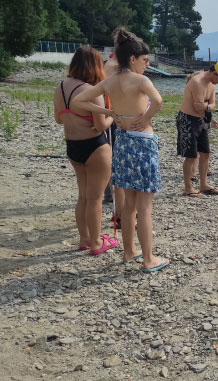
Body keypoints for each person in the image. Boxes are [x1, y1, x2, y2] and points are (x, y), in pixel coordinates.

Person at [72, 27, 168, 272]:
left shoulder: (110, 81)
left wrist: (108, 113)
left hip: (123, 141)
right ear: (133, 59)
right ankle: (149, 259)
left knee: (128, 205)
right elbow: (158, 102)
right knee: (145, 206)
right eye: (145, 60)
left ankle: (129, 252)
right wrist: (146, 118)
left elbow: (78, 101)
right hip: (143, 142)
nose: (147, 65)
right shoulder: (141, 80)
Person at [53, 46, 118, 255]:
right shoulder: (90, 91)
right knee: (95, 198)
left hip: (72, 146)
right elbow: (100, 125)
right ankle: (97, 243)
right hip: (95, 147)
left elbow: (58, 118)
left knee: (83, 196)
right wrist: (113, 115)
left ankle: (85, 239)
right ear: (95, 65)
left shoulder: (60, 87)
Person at [176, 62, 218, 197]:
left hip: (201, 120)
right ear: (214, 73)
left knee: (205, 153)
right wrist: (208, 106)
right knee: (191, 156)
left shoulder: (212, 84)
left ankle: (203, 184)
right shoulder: (197, 81)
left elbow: (211, 105)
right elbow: (198, 106)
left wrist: (207, 106)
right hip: (187, 119)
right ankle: (188, 187)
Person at [103, 51, 124, 225]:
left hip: (112, 115)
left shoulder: (108, 65)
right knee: (117, 163)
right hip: (115, 117)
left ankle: (114, 201)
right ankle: (119, 211)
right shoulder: (114, 66)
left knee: (114, 161)